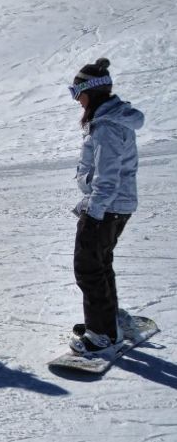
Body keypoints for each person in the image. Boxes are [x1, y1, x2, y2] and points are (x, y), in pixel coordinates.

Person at [68, 58, 144, 355]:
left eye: (77, 92)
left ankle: (101, 334)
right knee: (100, 263)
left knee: (87, 267)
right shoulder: (111, 120)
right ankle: (107, 321)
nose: (76, 99)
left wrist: (94, 213)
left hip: (106, 207)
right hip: (115, 206)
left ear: (92, 91)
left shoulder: (107, 126)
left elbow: (107, 177)